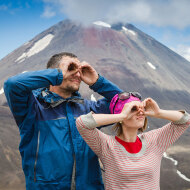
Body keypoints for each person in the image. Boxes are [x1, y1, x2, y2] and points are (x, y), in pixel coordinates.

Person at [4, 52, 122, 190]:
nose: (78, 74)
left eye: (80, 70)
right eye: (71, 68)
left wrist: (97, 82)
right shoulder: (33, 109)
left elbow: (127, 104)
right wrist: (59, 75)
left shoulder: (89, 109)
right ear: (54, 72)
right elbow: (12, 84)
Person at [76, 92, 190, 190]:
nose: (140, 112)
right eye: (133, 109)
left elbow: (185, 120)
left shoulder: (154, 140)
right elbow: (82, 123)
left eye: (142, 109)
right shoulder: (106, 145)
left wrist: (158, 112)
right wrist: (122, 115)